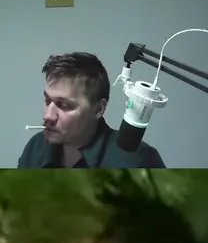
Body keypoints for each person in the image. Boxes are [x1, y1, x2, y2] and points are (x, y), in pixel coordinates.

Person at [17, 52, 166, 168]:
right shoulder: (36, 147)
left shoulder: (138, 160)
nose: (48, 116)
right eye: (47, 101)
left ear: (98, 109)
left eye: (64, 105)